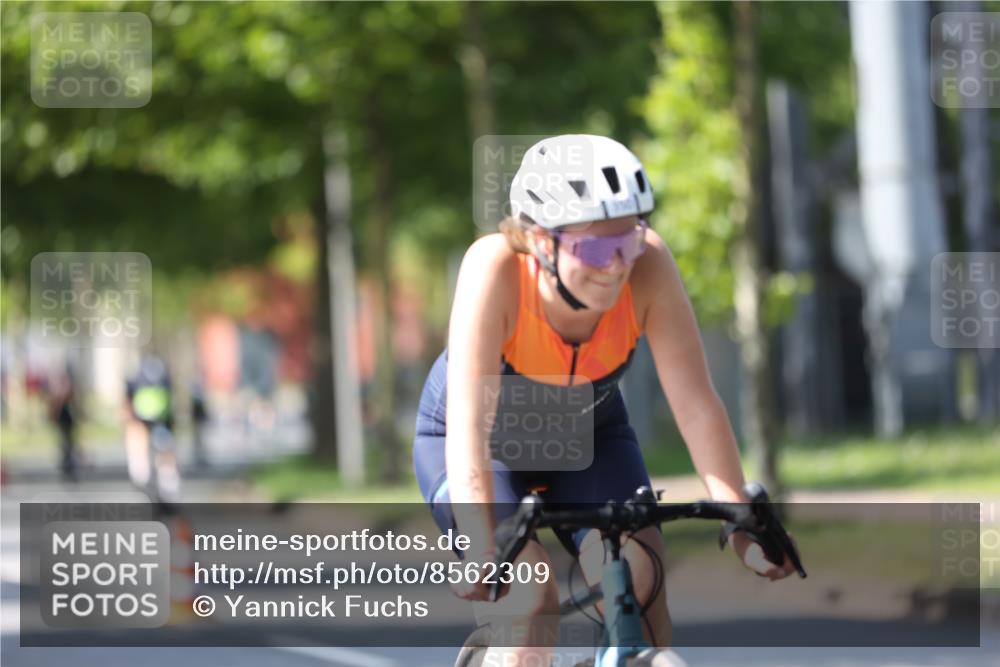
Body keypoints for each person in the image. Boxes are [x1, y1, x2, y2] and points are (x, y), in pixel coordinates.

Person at [412, 134, 795, 664]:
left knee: (641, 586)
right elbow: (469, 427)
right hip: (479, 441)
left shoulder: (650, 267)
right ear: (539, 240)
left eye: (629, 240)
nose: (617, 265)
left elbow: (696, 404)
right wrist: (482, 544)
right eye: (595, 248)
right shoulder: (494, 267)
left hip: (587, 433)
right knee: (530, 599)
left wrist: (740, 520)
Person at [124, 355, 180, 502]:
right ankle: (161, 481)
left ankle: (148, 477)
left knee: (155, 451)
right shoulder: (161, 379)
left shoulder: (138, 379)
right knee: (161, 452)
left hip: (150, 419)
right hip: (157, 420)